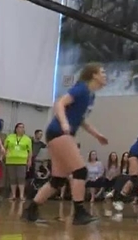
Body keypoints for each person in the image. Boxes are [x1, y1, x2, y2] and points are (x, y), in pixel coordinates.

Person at [22, 63, 109, 225]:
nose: (105, 75)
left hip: (59, 133)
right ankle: (79, 212)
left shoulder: (90, 95)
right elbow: (60, 104)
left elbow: (80, 119)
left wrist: (97, 135)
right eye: (102, 72)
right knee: (80, 171)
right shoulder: (81, 88)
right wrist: (64, 123)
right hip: (59, 131)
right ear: (94, 75)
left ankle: (30, 210)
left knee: (58, 180)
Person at [4, 123, 32, 201]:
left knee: (21, 178)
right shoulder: (10, 137)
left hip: (22, 161)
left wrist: (29, 160)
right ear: (16, 129)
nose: (21, 129)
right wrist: (3, 155)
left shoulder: (27, 139)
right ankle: (13, 195)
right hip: (10, 160)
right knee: (12, 178)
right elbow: (5, 148)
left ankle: (21, 195)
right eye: (19, 127)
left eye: (22, 127)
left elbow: (30, 151)